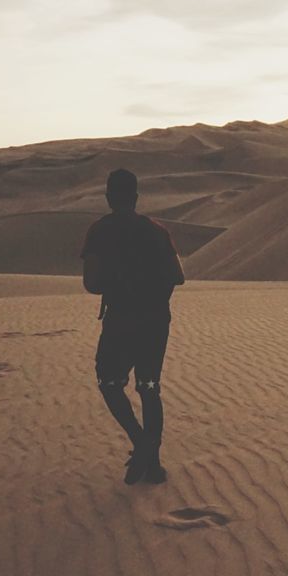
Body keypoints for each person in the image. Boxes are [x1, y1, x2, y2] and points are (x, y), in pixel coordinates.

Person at [81, 169, 185, 485]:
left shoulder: (99, 231)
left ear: (109, 197)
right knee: (149, 387)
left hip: (121, 321)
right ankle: (150, 460)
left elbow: (92, 283)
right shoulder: (156, 230)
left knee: (110, 383)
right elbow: (178, 276)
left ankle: (141, 443)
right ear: (136, 197)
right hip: (155, 321)